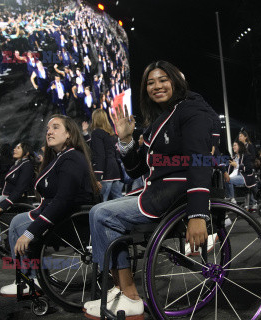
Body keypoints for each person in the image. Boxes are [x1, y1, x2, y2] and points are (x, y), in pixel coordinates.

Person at [84, 61, 216, 319]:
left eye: (163, 79)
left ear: (176, 81)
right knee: (99, 214)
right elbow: (136, 169)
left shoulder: (192, 110)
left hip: (175, 193)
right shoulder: (161, 118)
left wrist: (198, 214)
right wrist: (125, 140)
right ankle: (122, 288)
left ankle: (130, 294)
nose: (157, 86)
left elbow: (200, 161)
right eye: (151, 82)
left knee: (101, 214)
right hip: (156, 190)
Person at [0, 115, 98, 297]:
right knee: (16, 221)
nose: (49, 132)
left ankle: (30, 279)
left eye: (55, 127)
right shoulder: (62, 157)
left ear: (69, 134)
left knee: (18, 225)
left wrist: (30, 233)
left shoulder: (72, 158)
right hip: (54, 211)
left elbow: (63, 200)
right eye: (48, 129)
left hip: (69, 218)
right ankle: (29, 277)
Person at [0, 142, 35, 221]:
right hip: (6, 196)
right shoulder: (17, 163)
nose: (14, 149)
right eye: (15, 147)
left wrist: (3, 205)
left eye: (18, 148)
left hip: (13, 198)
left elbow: (20, 188)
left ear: (27, 152)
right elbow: (0, 168)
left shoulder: (27, 165)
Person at [89, 109, 123, 201]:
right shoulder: (112, 135)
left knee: (101, 203)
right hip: (115, 171)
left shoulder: (97, 133)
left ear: (95, 119)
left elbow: (100, 155)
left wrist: (98, 176)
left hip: (105, 172)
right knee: (118, 201)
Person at [224, 141, 257, 209]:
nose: (233, 147)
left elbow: (249, 168)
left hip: (245, 176)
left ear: (240, 146)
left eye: (235, 145)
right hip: (237, 176)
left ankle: (232, 199)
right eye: (233, 145)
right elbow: (230, 169)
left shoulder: (246, 155)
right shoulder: (234, 157)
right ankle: (231, 198)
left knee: (228, 179)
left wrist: (237, 166)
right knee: (226, 178)